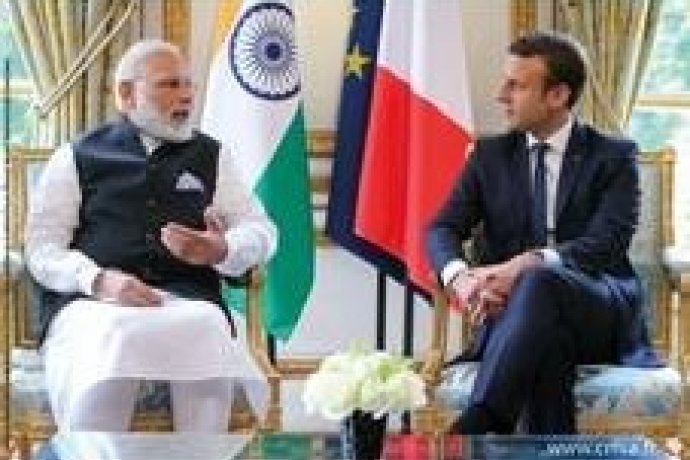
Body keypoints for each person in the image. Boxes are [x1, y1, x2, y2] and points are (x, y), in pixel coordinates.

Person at [25, 39, 277, 433]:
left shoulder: (213, 155)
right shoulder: (76, 156)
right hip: (94, 303)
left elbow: (262, 231)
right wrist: (98, 279)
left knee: (206, 325)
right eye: (170, 84)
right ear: (127, 94)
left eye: (189, 84)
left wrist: (222, 249)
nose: (187, 95)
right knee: (116, 334)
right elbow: (42, 248)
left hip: (186, 300)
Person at [426, 31, 662, 434]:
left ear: (558, 95)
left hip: (597, 306)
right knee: (547, 345)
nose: (501, 95)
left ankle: (480, 421)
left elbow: (607, 243)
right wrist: (461, 278)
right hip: (516, 315)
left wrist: (527, 264)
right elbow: (442, 227)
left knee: (539, 278)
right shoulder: (489, 157)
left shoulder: (614, 156)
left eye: (516, 86)